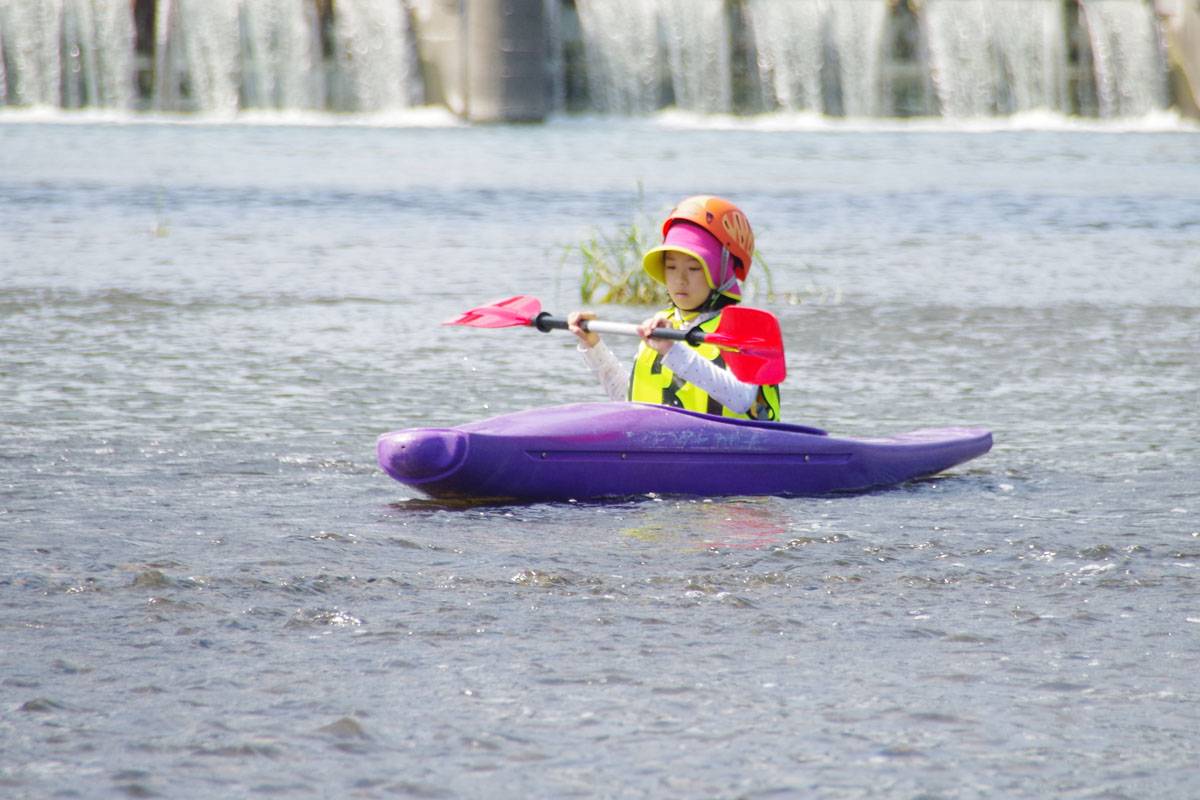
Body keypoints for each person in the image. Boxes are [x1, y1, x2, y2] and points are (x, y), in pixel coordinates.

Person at [568, 195, 782, 421]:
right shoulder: (661, 323)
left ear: (721, 272)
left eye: (694, 268)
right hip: (667, 450)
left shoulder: (747, 330)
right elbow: (629, 399)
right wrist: (592, 345)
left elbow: (741, 399)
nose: (680, 279)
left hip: (731, 452)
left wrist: (672, 351)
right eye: (671, 266)